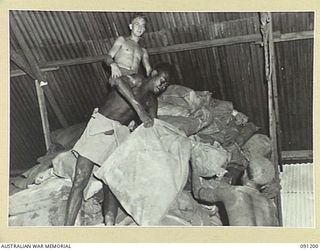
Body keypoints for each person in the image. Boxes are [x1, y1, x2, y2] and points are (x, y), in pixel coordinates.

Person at [64, 63, 174, 226]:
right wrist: (140, 110)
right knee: (80, 179)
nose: (163, 86)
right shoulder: (137, 80)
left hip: (120, 135)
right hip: (101, 126)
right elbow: (118, 82)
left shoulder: (151, 101)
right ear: (154, 73)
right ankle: (66, 229)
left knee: (112, 184)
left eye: (166, 85)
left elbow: (152, 126)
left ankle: (110, 226)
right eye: (162, 80)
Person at [103, 13, 152, 80]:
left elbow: (148, 69)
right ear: (131, 27)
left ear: (144, 29)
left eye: (142, 26)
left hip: (134, 78)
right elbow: (107, 57)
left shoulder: (143, 50)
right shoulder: (122, 40)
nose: (140, 28)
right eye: (137, 24)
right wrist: (113, 65)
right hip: (120, 74)